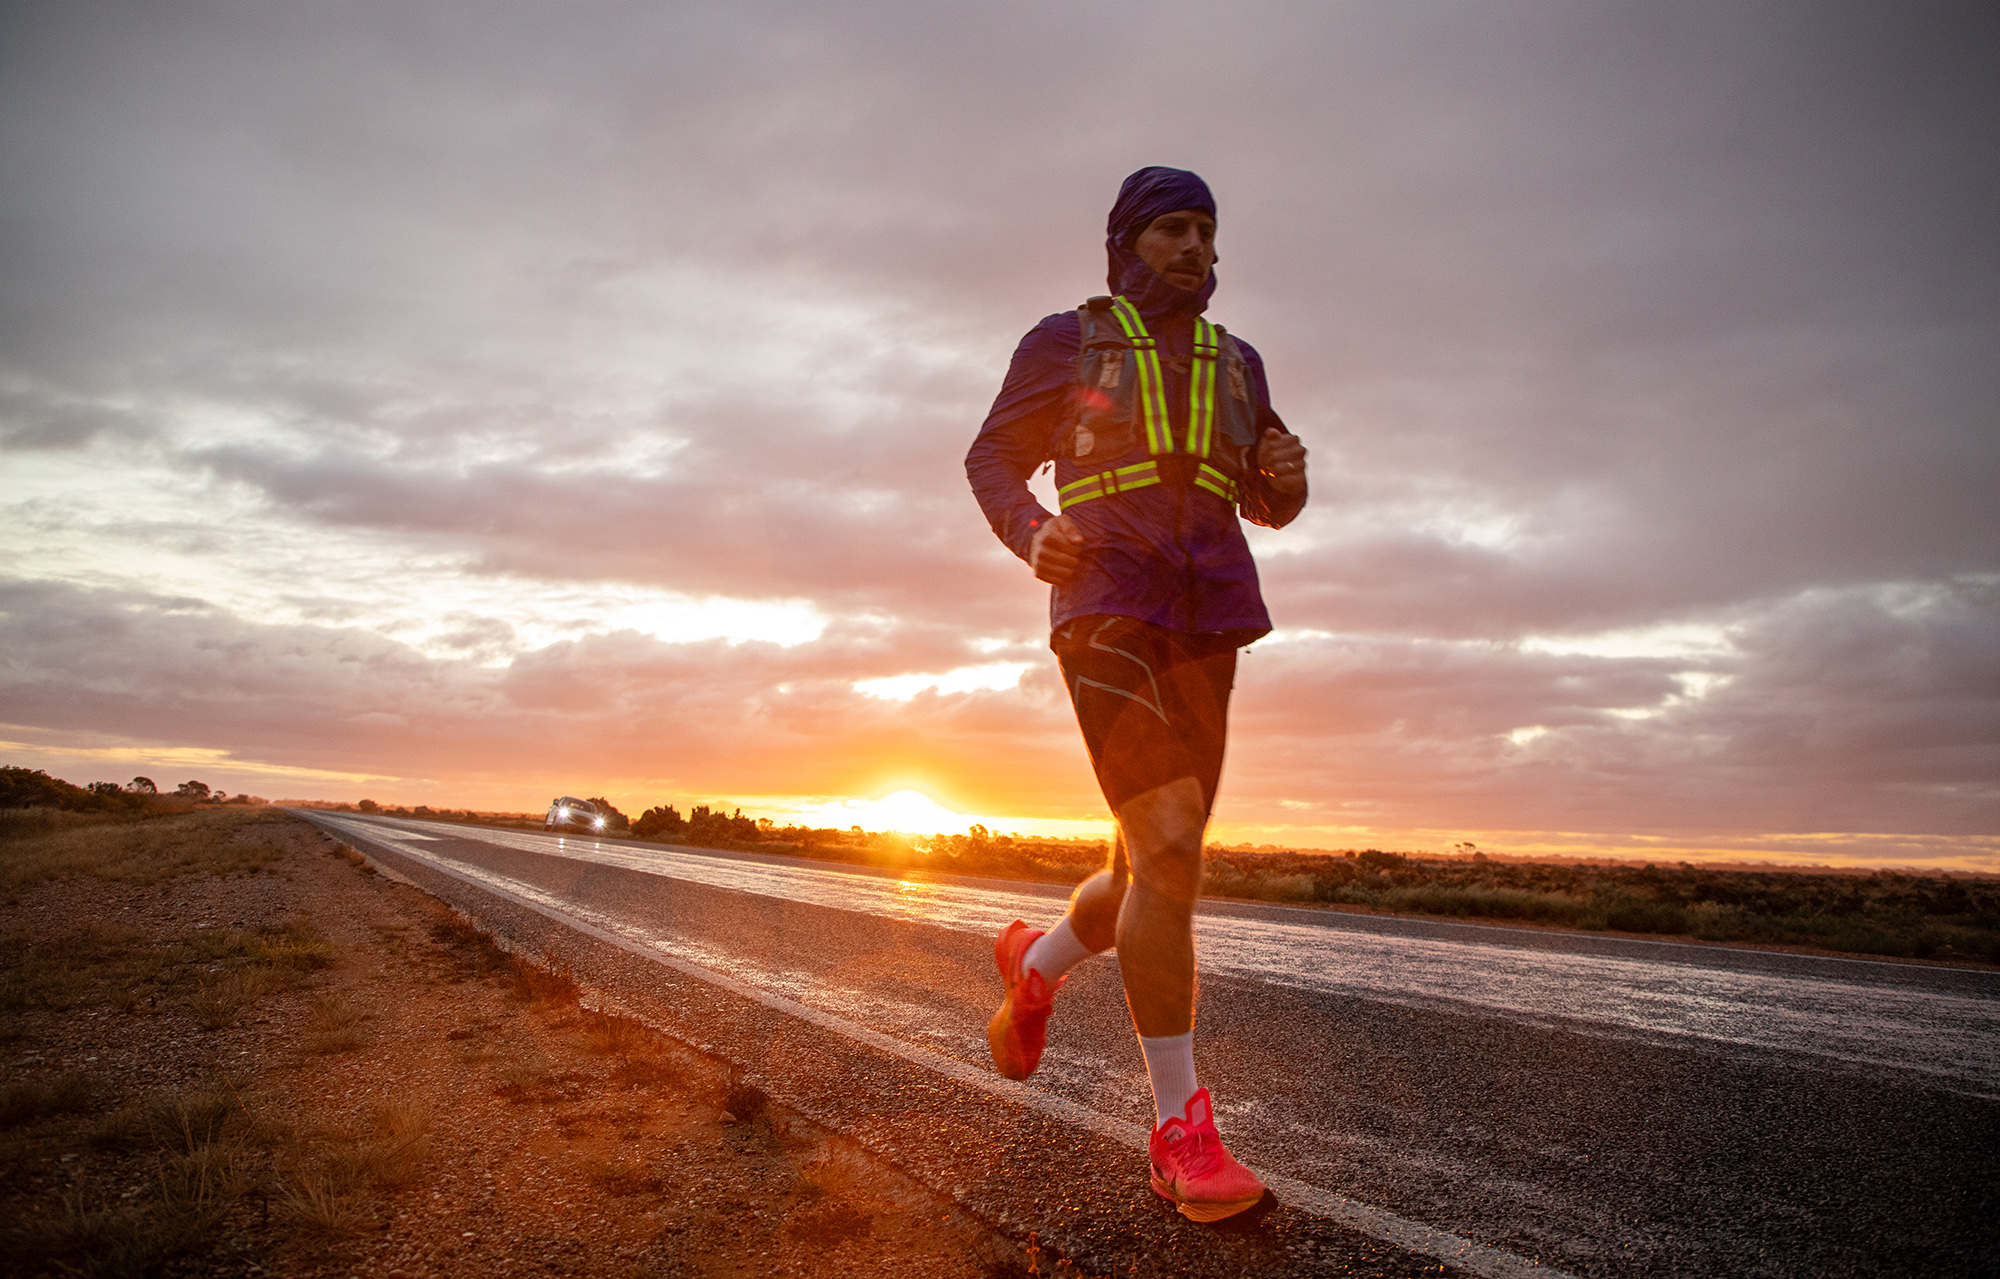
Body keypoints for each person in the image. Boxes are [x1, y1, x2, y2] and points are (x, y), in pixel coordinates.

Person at [963, 166, 1308, 1222]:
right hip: (1104, 600)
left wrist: (1285, 482)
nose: (1195, 246)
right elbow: (991, 461)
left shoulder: (1235, 359)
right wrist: (1035, 533)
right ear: (1124, 243)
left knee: (1152, 865)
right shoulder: (1063, 343)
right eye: (1172, 228)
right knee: (1164, 845)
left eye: (1206, 230)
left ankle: (1037, 960)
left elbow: (1267, 493)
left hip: (1210, 614)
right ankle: (1177, 1133)